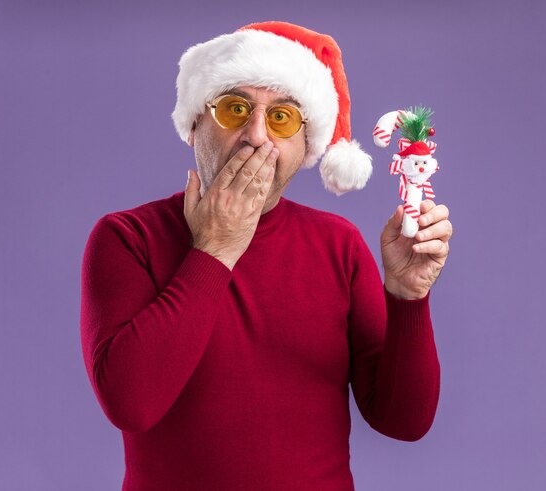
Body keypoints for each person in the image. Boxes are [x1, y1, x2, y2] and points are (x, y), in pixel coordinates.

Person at [80, 21, 452, 491]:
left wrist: (408, 297)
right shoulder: (127, 238)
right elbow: (131, 403)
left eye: (281, 118)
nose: (256, 136)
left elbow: (404, 421)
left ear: (306, 145)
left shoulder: (339, 246)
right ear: (195, 125)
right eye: (235, 109)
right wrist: (215, 249)